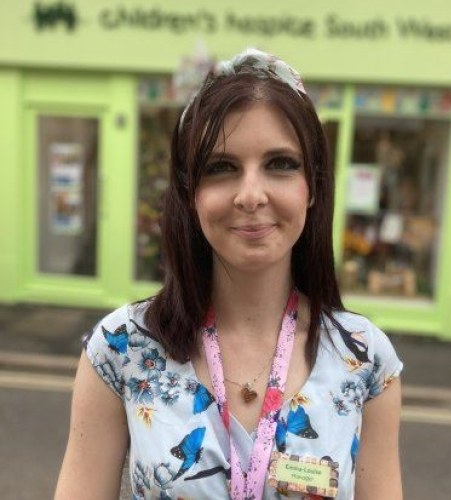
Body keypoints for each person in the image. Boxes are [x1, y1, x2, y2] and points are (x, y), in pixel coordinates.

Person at [55, 48, 403, 500]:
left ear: (312, 187)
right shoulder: (122, 348)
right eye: (222, 168)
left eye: (280, 164)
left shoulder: (366, 359)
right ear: (190, 193)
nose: (251, 194)